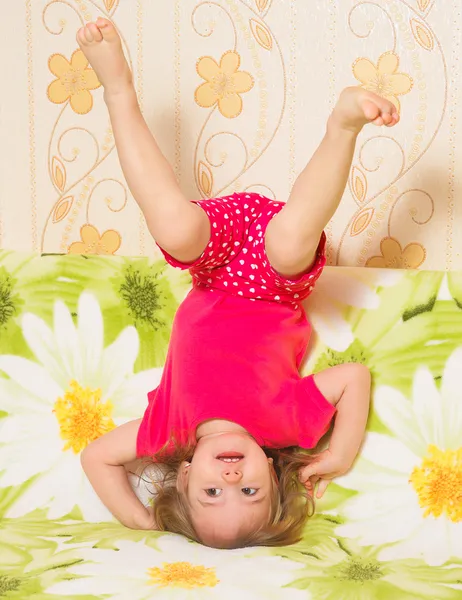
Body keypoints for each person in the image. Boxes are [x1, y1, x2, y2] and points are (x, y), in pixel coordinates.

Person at [78, 18, 397, 549]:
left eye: (211, 495)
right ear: (273, 476)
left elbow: (96, 457)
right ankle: (343, 125)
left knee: (176, 231)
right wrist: (338, 453)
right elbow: (355, 377)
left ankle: (117, 89)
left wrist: (139, 521)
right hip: (273, 278)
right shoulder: (290, 427)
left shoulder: (166, 433)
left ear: (183, 478)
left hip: (213, 261)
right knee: (293, 244)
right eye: (251, 492)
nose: (231, 482)